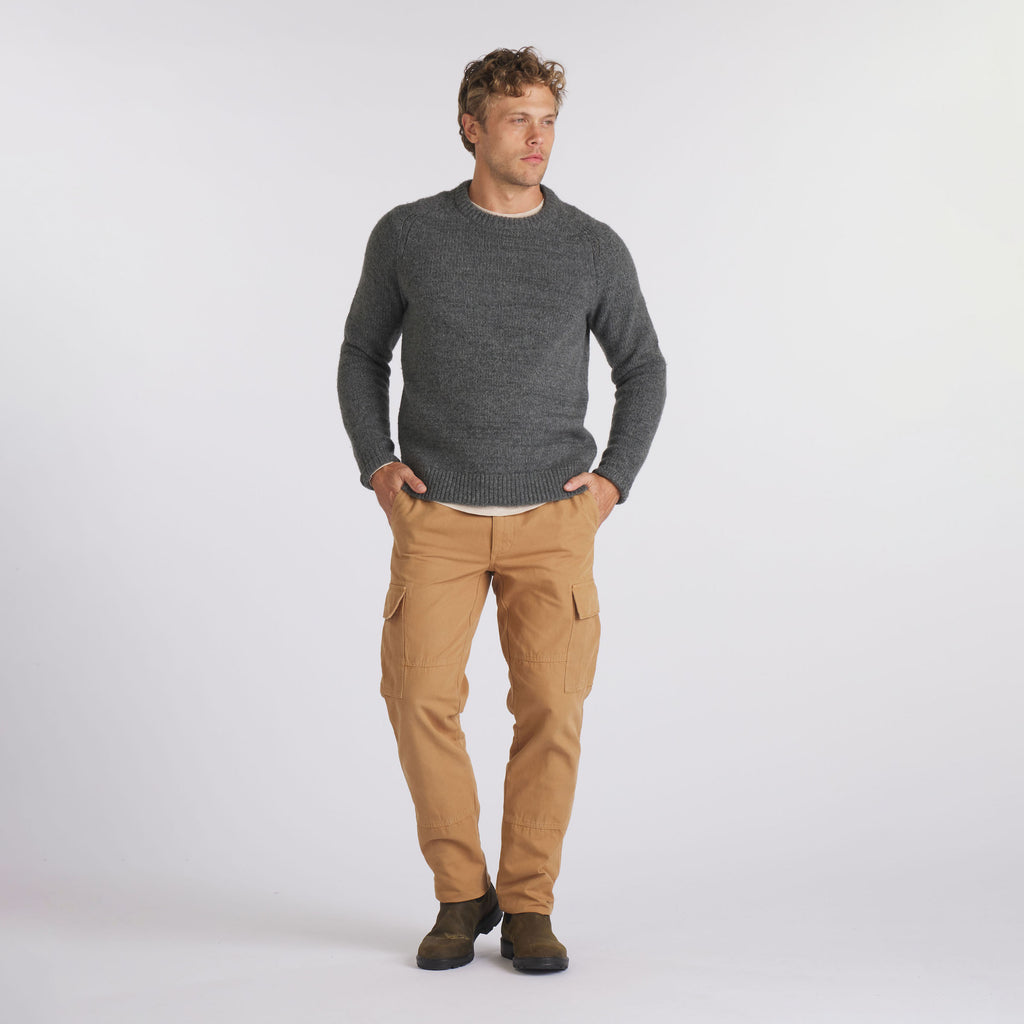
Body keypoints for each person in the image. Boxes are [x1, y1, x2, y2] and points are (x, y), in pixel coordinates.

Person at [337, 46, 666, 973]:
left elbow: (643, 367)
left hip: (553, 522)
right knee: (417, 700)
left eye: (548, 120)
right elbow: (362, 354)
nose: (538, 138)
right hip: (436, 517)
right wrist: (377, 464)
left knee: (553, 708)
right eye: (519, 118)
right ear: (471, 126)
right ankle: (460, 893)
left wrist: (613, 480)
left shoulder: (591, 246)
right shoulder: (409, 234)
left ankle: (527, 903)